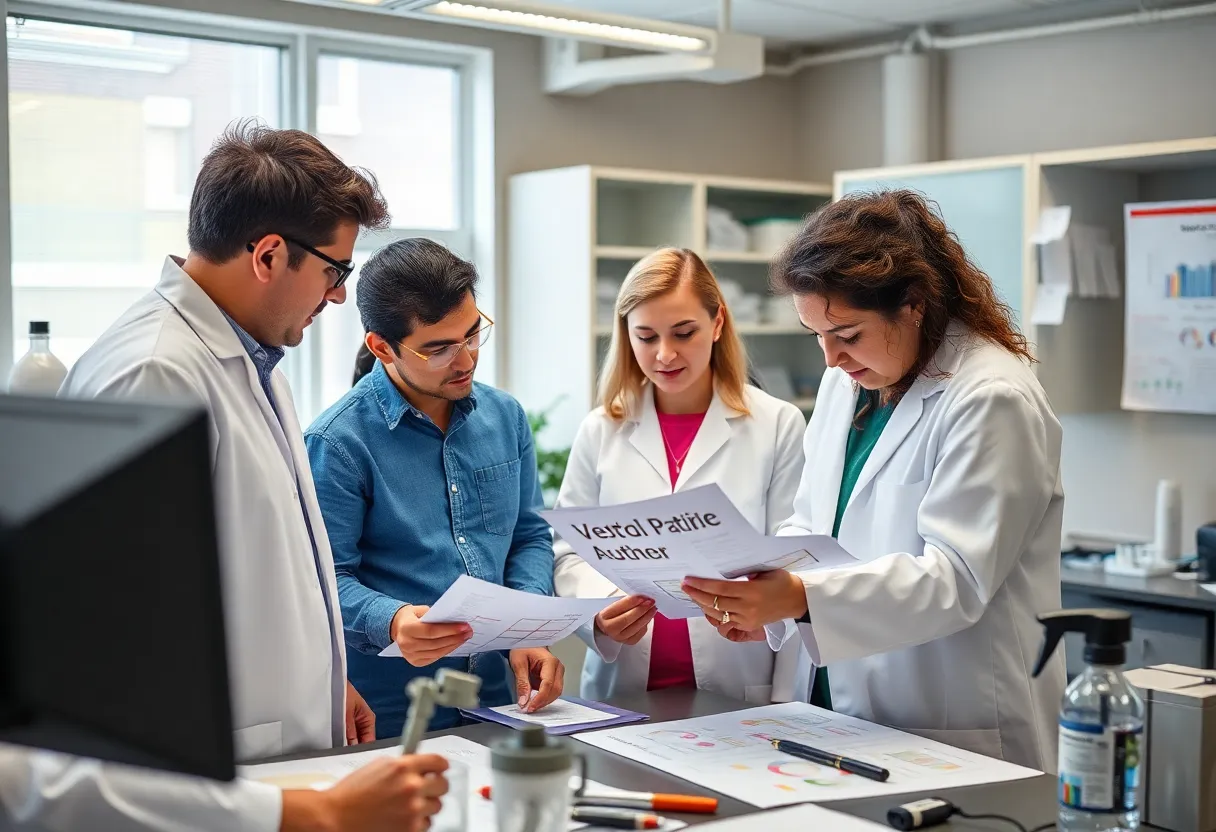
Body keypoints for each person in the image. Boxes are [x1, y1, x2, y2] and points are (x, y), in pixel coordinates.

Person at [2, 122, 449, 831]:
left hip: (282, 758)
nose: (337, 297)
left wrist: (326, 679)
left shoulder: (257, 360)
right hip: (214, 782)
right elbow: (114, 655)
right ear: (269, 254)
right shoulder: (153, 373)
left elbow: (267, 559)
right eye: (335, 271)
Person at [682, 190, 1066, 771]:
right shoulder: (848, 383)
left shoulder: (991, 397)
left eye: (848, 334)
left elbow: (956, 577)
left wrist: (802, 598)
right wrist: (766, 590)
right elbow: (811, 523)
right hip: (835, 706)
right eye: (817, 335)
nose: (831, 359)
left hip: (951, 717)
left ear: (913, 304)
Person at [305, 238, 563, 739]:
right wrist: (393, 619)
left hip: (500, 699)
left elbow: (528, 536)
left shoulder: (504, 416)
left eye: (471, 335)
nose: (465, 360)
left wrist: (526, 625)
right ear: (382, 347)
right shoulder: (336, 443)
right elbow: (320, 581)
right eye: (438, 348)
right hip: (392, 713)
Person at [553, 248, 814, 705]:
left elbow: (792, 558)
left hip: (739, 678)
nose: (664, 354)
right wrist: (599, 612)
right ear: (626, 335)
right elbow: (568, 551)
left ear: (717, 324)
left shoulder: (778, 423)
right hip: (625, 684)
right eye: (646, 336)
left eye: (683, 332)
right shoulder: (602, 427)